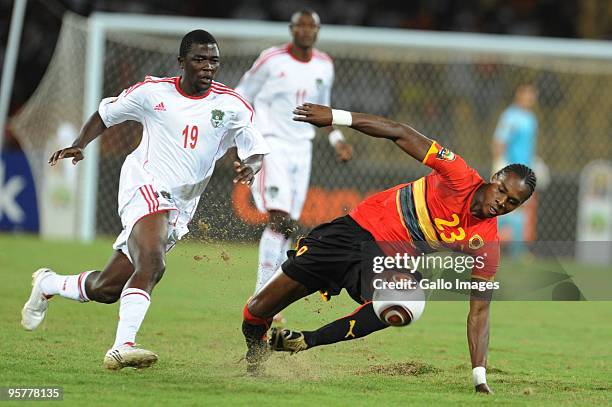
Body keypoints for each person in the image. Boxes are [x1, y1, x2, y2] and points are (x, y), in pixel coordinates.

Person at [241, 103, 536, 394]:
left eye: (513, 202)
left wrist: (479, 377)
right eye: (502, 191)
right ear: (494, 178)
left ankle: (308, 339)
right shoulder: (458, 174)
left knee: (406, 303)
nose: (502, 203)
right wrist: (336, 117)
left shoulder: (486, 243)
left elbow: (480, 310)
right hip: (350, 233)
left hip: (386, 259)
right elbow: (399, 132)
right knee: (257, 311)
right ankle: (256, 359)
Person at [20, 30, 269, 370]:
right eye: (199, 59)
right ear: (182, 61)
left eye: (213, 60)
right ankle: (122, 346)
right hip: (145, 183)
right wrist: (81, 142)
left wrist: (250, 168)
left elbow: (254, 149)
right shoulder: (153, 92)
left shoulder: (233, 105)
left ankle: (48, 283)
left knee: (107, 288)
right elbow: (107, 114)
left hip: (181, 205)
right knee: (152, 264)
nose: (207, 66)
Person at [235, 9, 353, 317]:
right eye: (300, 25)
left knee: (287, 227)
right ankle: (262, 294)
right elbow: (241, 95)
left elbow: (322, 110)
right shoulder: (271, 59)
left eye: (311, 26)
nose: (305, 30)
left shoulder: (325, 65)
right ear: (291, 29)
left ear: (317, 30)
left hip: (303, 149)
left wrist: (336, 139)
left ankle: (267, 295)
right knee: (280, 219)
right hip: (270, 143)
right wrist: (241, 140)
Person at [491, 84, 538, 257]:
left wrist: (535, 162)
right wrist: (499, 162)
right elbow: (499, 140)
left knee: (519, 207)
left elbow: (528, 146)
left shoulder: (531, 118)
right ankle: (502, 246)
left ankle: (514, 249)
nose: (530, 98)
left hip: (525, 169)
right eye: (527, 94)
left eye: (533, 95)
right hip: (511, 168)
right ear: (519, 95)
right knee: (506, 206)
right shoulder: (510, 116)